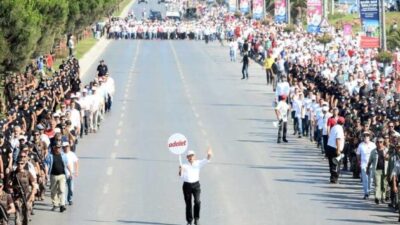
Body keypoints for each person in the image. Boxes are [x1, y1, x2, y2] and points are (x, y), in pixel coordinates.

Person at [178, 148, 212, 225]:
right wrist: (180, 170)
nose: (191, 157)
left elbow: (207, 159)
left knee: (197, 201)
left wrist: (209, 154)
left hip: (196, 185)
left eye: (192, 156)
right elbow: (180, 176)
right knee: (188, 203)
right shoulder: (184, 165)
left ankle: (196, 219)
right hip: (187, 186)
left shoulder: (198, 163)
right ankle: (189, 221)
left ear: (195, 157)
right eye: (189, 156)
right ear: (187, 158)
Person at [44, 143, 72, 213]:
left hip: (62, 175)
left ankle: (62, 205)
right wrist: (46, 174)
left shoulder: (63, 155)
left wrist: (70, 172)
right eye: (57, 147)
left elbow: (67, 164)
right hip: (53, 175)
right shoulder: (50, 156)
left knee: (62, 190)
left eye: (59, 147)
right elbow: (46, 165)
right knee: (53, 191)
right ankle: (55, 204)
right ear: (54, 148)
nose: (58, 149)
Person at [367, 137, 389, 204]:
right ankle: (377, 197)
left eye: (381, 142)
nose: (379, 143)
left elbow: (389, 160)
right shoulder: (373, 151)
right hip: (376, 170)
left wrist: (387, 157)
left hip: (385, 170)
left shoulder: (386, 150)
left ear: (383, 143)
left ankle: (383, 197)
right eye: (378, 142)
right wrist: (367, 168)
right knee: (377, 184)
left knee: (384, 185)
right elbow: (370, 161)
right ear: (376, 143)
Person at [357, 131, 377, 199]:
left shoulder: (373, 145)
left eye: (367, 135)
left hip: (371, 165)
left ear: (370, 137)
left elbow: (375, 155)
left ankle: (369, 190)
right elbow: (358, 154)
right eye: (365, 136)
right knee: (365, 179)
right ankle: (366, 193)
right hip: (363, 165)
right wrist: (359, 162)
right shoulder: (360, 145)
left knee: (370, 179)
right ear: (363, 137)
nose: (366, 137)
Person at [326, 117, 345, 183]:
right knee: (336, 164)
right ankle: (334, 178)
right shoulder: (340, 128)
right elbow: (338, 139)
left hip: (329, 147)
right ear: (343, 123)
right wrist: (338, 150)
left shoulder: (334, 127)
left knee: (331, 164)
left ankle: (332, 177)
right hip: (335, 148)